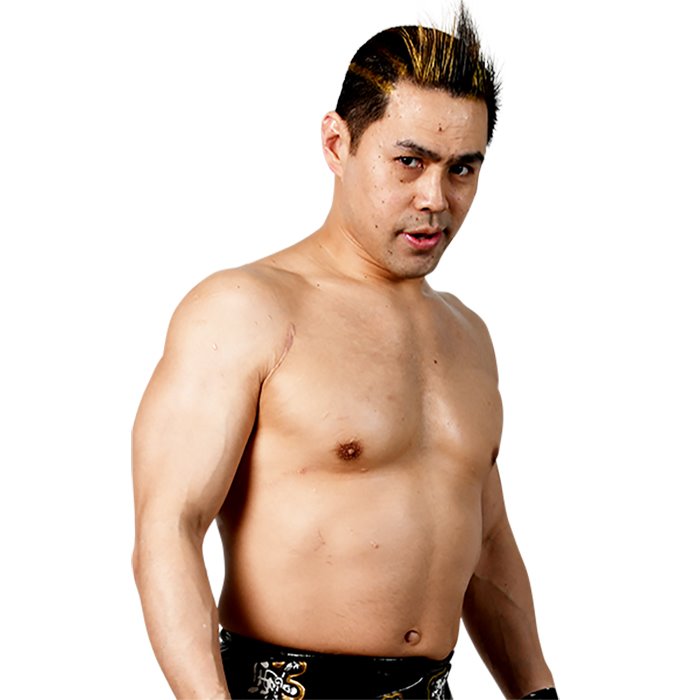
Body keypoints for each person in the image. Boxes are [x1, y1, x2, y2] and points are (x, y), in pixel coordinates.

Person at [132, 4, 558, 698]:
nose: (435, 198)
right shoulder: (245, 309)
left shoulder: (468, 334)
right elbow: (168, 530)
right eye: (410, 161)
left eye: (462, 169)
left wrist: (537, 691)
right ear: (337, 144)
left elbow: (485, 542)